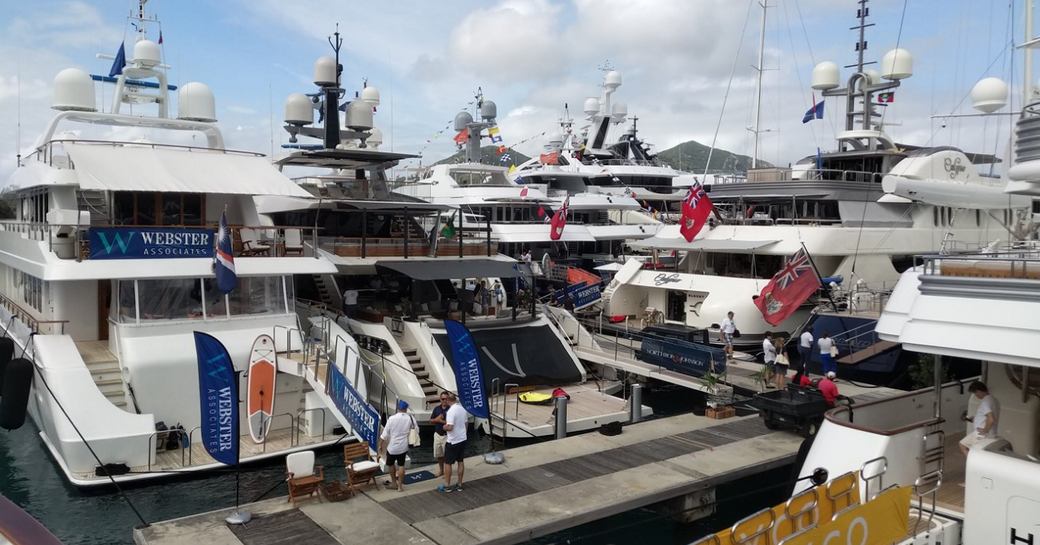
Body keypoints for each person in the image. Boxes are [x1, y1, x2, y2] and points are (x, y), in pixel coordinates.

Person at [378, 400, 416, 492]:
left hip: (392, 447)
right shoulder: (410, 418)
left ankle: (394, 483)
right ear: (406, 409)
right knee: (401, 465)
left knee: (391, 464)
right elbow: (415, 429)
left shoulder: (392, 419)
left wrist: (380, 445)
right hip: (403, 446)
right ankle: (400, 487)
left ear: (398, 408)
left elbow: (385, 434)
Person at [959, 381, 1000, 456]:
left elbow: (991, 419)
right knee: (979, 452)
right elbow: (988, 417)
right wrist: (976, 419)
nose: (976, 396)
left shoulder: (985, 402)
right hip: (992, 433)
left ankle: (973, 464)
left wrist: (985, 430)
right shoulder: (994, 400)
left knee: (962, 445)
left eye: (975, 393)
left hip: (982, 435)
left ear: (978, 391)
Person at [439, 392, 468, 493]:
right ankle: (460, 484)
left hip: (453, 441)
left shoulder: (451, 411)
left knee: (448, 463)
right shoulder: (463, 408)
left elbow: (450, 427)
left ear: (448, 400)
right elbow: (466, 424)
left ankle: (447, 485)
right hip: (462, 439)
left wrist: (443, 427)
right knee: (460, 461)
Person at [429, 391, 450, 477]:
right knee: (439, 455)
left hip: (447, 435)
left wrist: (440, 421)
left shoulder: (451, 410)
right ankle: (441, 470)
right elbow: (431, 420)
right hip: (437, 435)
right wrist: (436, 420)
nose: (444, 400)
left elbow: (452, 424)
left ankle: (447, 471)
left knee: (447, 455)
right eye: (442, 399)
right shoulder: (436, 409)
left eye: (446, 399)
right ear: (440, 399)